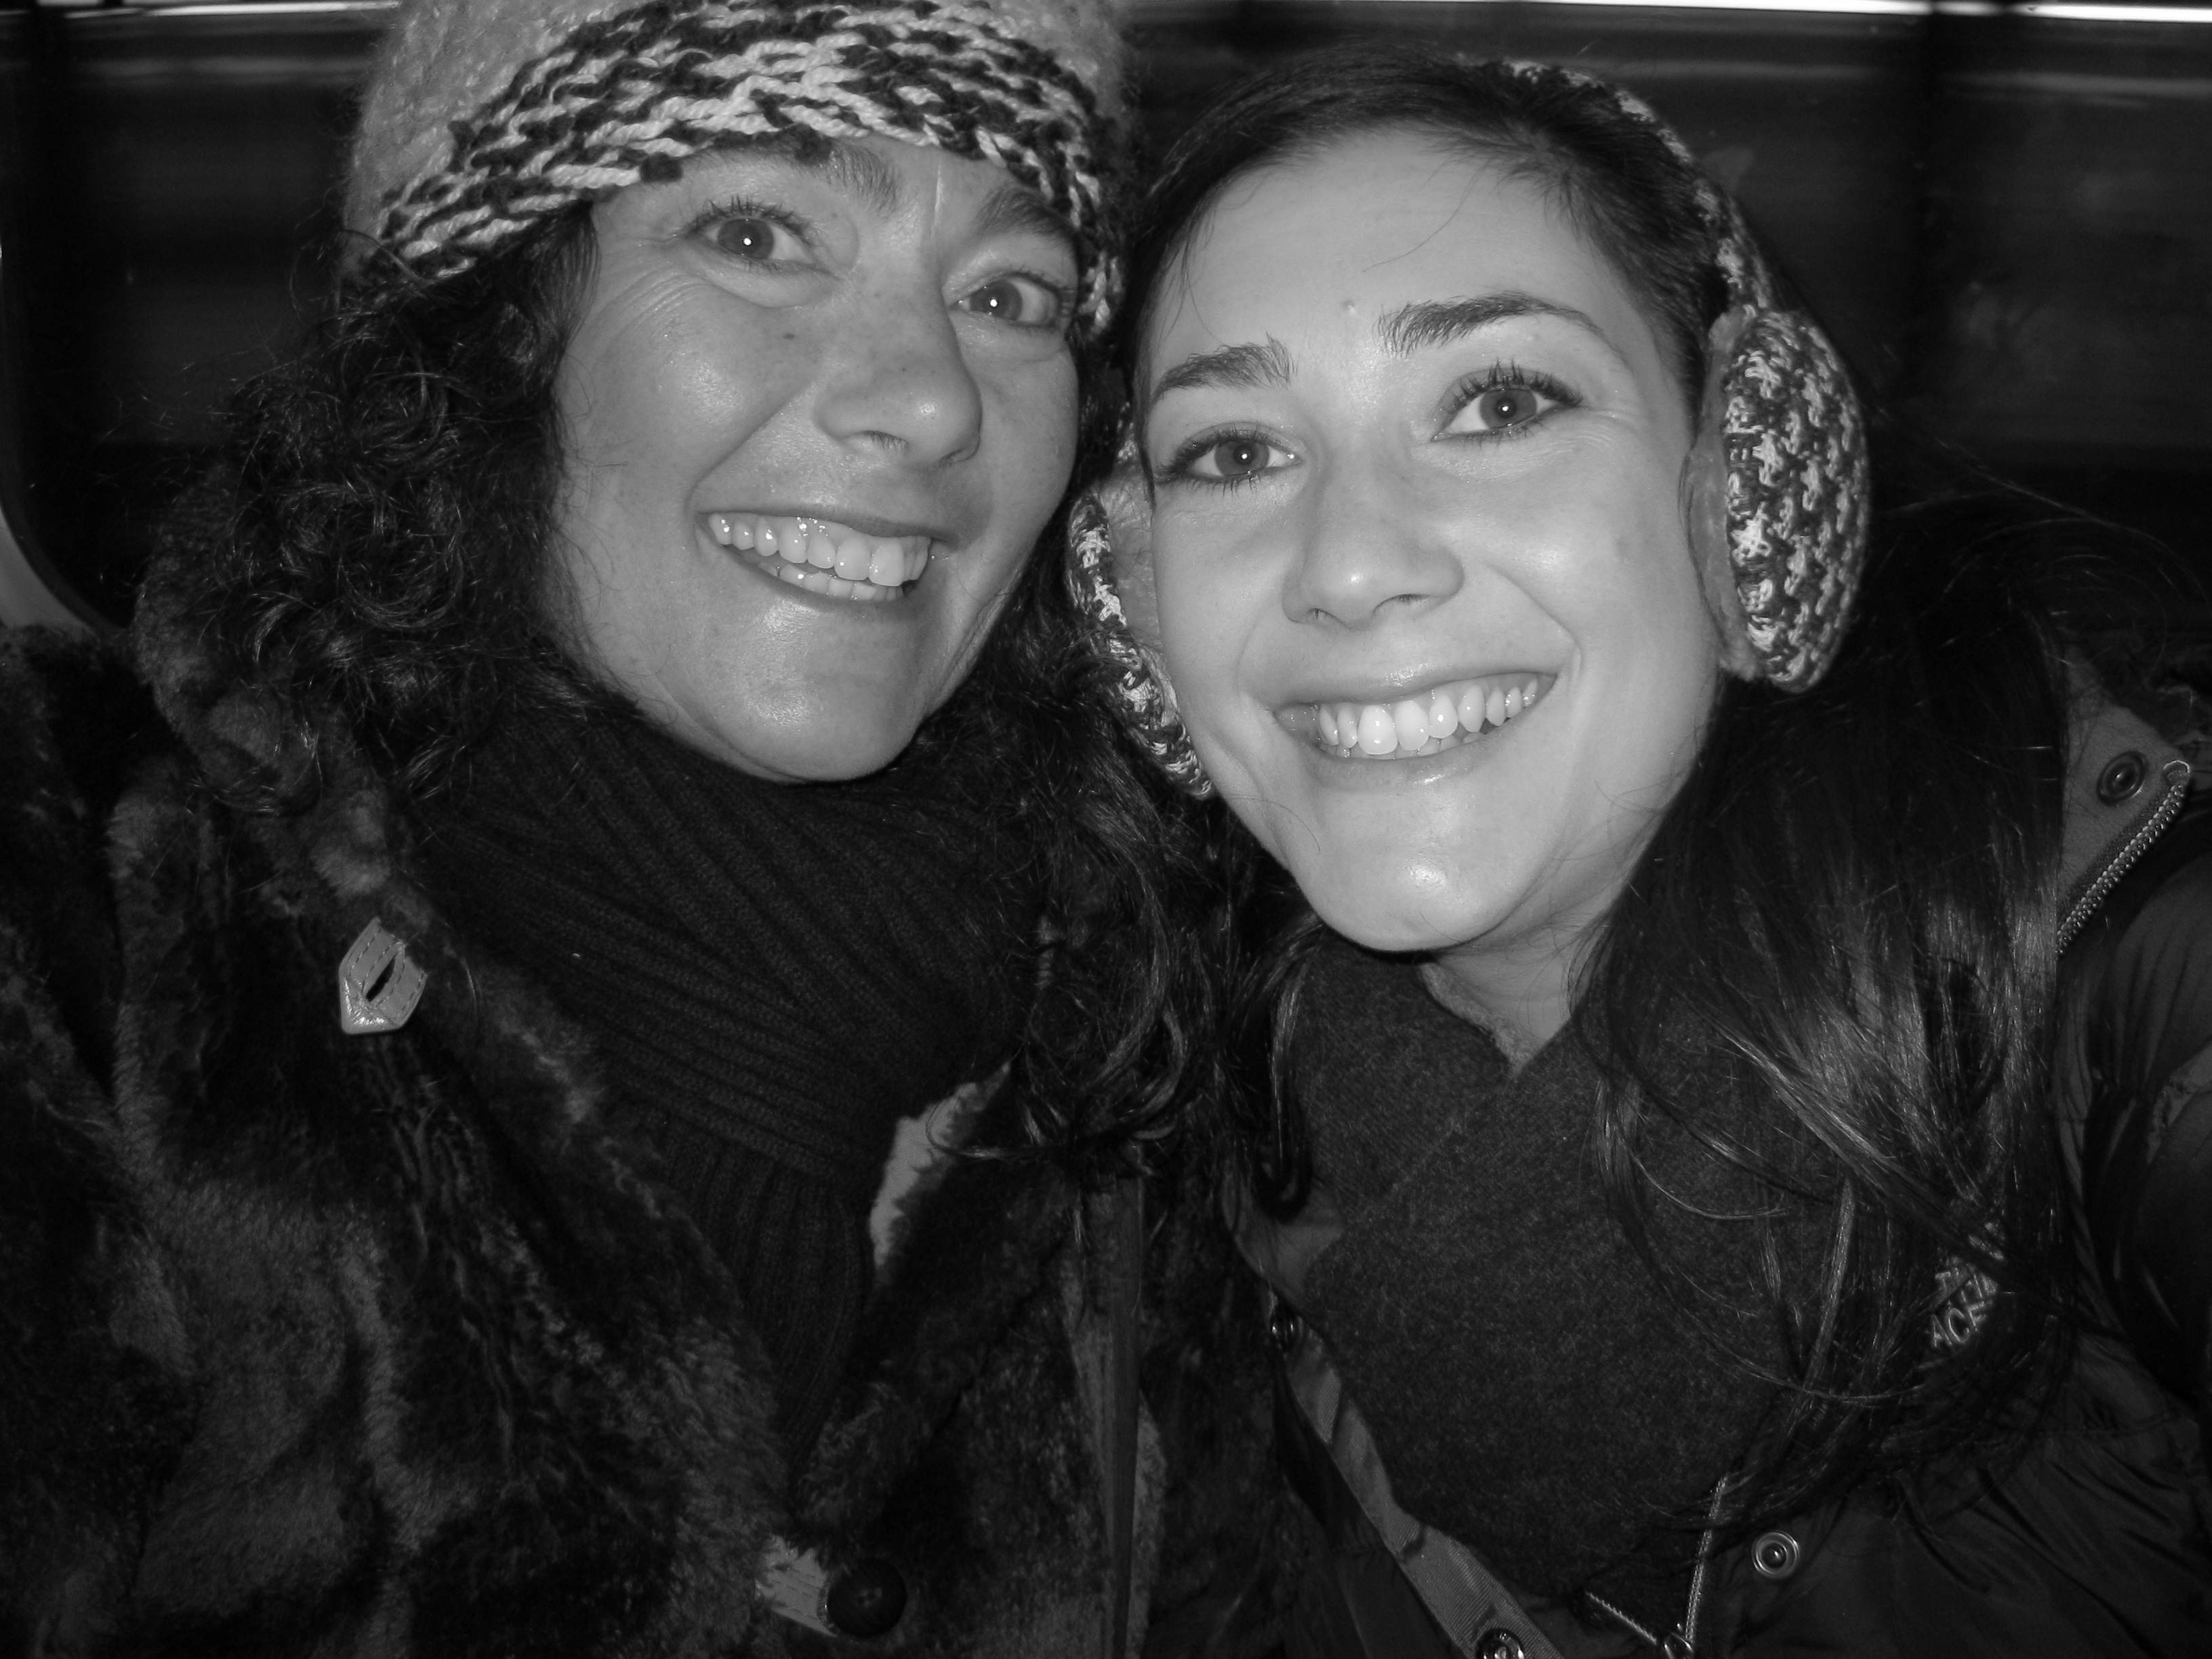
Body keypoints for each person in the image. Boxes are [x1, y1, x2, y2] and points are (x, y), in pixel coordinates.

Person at [0, 0, 1287, 1650]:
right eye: (758, 235)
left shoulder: (1132, 1022)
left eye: (1009, 295)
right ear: (492, 334)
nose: (931, 400)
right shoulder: (87, 925)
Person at [1069, 45, 2212, 1658]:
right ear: (1133, 609)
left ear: (1753, 487)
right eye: (1234, 452)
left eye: (1500, 402)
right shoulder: (1195, 1150)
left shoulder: (2142, 1004)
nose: (1350, 565)